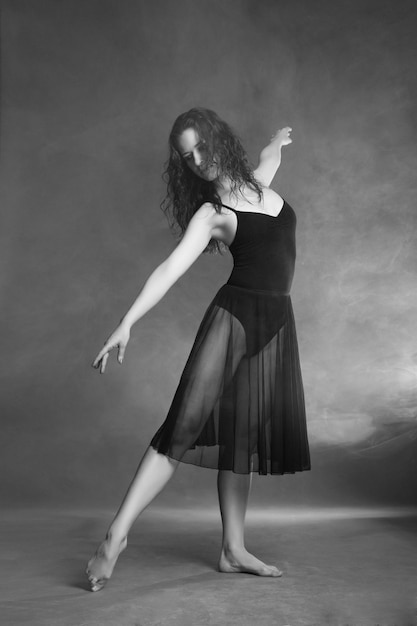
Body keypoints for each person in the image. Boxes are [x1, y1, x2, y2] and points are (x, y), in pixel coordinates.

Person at [86, 107, 310, 592]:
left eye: (203, 147)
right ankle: (115, 535)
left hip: (275, 323)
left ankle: (232, 549)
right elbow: (168, 269)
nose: (198, 161)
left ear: (219, 139)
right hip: (234, 318)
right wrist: (126, 323)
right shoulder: (214, 213)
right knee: (183, 426)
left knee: (242, 439)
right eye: (188, 158)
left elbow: (269, 162)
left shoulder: (257, 182)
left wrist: (275, 139)